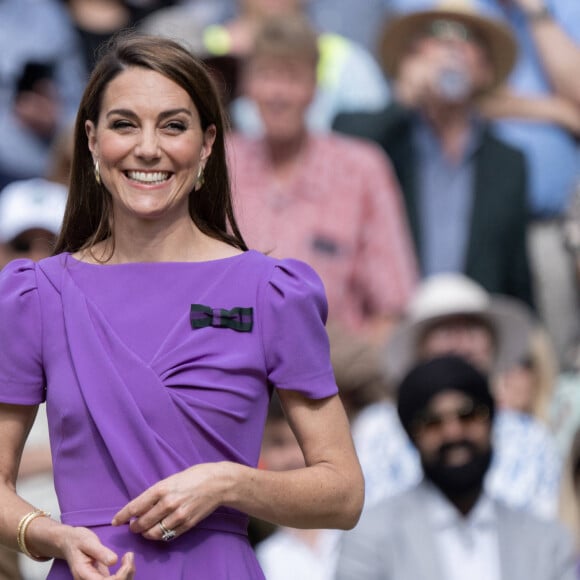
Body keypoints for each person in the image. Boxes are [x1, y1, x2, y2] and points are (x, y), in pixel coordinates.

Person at [0, 33, 364, 579]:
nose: (148, 148)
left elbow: (343, 493)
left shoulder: (270, 291)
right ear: (93, 141)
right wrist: (53, 537)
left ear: (208, 143)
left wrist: (229, 483)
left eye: (173, 126)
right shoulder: (36, 295)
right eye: (125, 124)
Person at [333, 1, 534, 307]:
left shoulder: (509, 163)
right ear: (411, 58)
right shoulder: (385, 138)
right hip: (393, 324)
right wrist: (402, 100)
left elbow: (517, 275)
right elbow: (339, 151)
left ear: (486, 70)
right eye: (437, 37)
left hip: (476, 331)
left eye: (467, 39)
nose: (451, 51)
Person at [228, 14, 418, 339]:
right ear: (248, 87)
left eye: (291, 78)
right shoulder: (222, 162)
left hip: (335, 369)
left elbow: (394, 306)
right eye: (266, 76)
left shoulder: (361, 169)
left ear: (314, 88)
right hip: (230, 368)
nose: (278, 94)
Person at [336, 355, 577, 580]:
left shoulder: (546, 542)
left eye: (468, 415)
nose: (453, 432)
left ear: (491, 423)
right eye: (432, 422)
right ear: (413, 436)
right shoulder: (370, 537)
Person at [353, 273, 562, 518]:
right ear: (416, 348)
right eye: (446, 330)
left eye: (473, 328)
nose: (462, 343)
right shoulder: (378, 430)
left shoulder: (531, 439)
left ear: (492, 346)